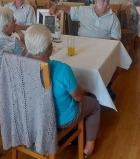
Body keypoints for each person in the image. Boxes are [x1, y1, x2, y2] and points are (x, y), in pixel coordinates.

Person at [25, 24, 100, 156]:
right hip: (61, 120)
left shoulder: (20, 65)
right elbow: (79, 97)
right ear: (49, 47)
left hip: (33, 117)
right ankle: (89, 146)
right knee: (94, 104)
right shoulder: (62, 69)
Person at [50, 0, 121, 40]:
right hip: (82, 44)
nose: (106, 4)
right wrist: (56, 6)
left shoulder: (113, 18)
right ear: (95, 1)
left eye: (107, 1)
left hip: (101, 48)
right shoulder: (84, 10)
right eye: (103, 1)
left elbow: (115, 39)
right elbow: (69, 10)